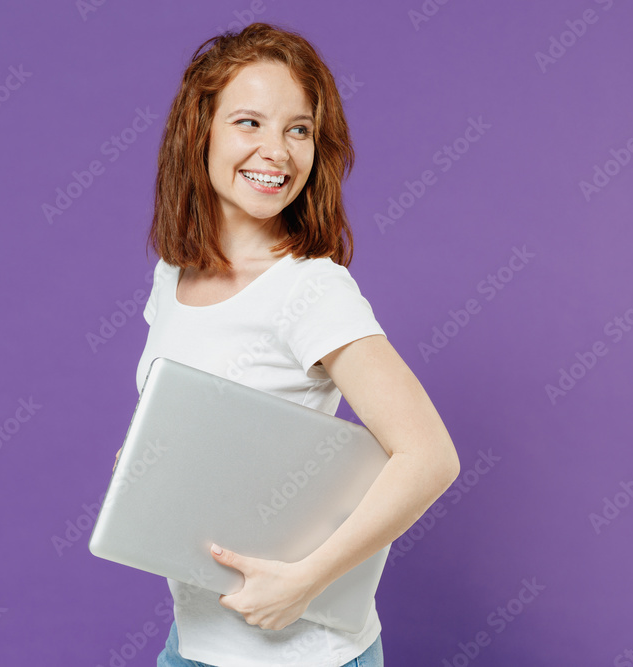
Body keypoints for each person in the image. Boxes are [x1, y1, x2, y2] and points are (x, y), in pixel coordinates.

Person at [120, 22, 461, 667]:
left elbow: (429, 456)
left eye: (298, 129)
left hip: (303, 655)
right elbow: (198, 432)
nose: (276, 151)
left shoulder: (312, 288)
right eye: (249, 122)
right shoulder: (173, 276)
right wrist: (142, 472)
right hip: (191, 646)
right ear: (201, 133)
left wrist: (308, 580)